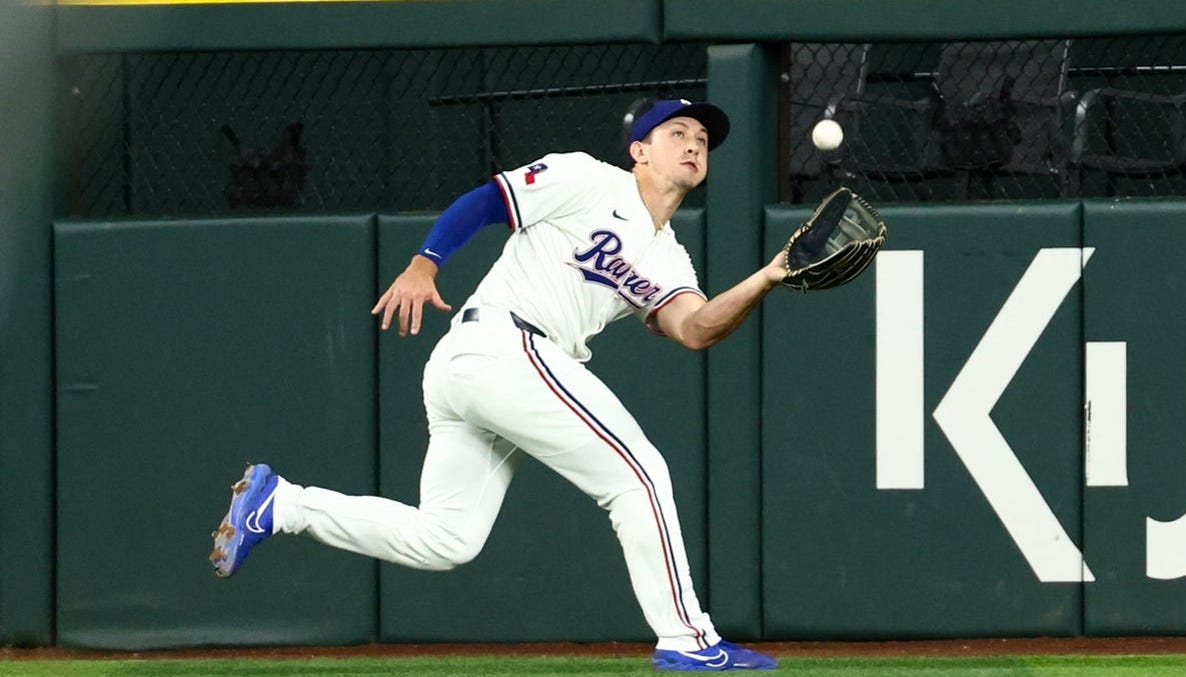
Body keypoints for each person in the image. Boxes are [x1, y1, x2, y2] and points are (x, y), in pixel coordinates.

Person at [210, 98, 787, 672]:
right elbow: (488, 200)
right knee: (640, 474)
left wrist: (768, 275)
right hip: (503, 346)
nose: (693, 145)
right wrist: (424, 263)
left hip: (490, 368)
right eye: (677, 133)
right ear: (639, 150)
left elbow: (695, 327)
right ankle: (687, 639)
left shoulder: (669, 257)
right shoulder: (588, 179)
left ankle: (284, 505)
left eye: (702, 140)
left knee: (447, 538)